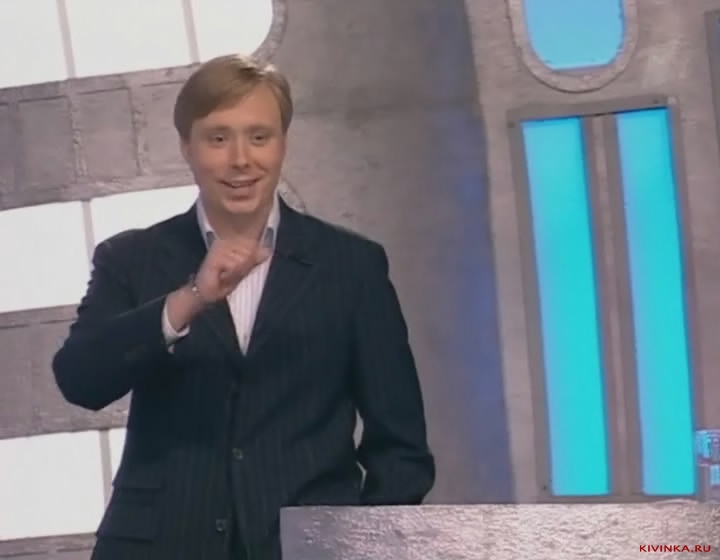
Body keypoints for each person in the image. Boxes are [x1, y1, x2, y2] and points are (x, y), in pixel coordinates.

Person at [52, 54, 435, 560]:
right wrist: (188, 300)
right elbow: (80, 380)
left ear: (282, 144)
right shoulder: (131, 259)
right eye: (218, 138)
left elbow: (401, 448)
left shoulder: (351, 266)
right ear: (186, 147)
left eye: (259, 137)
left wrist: (362, 550)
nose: (241, 159)